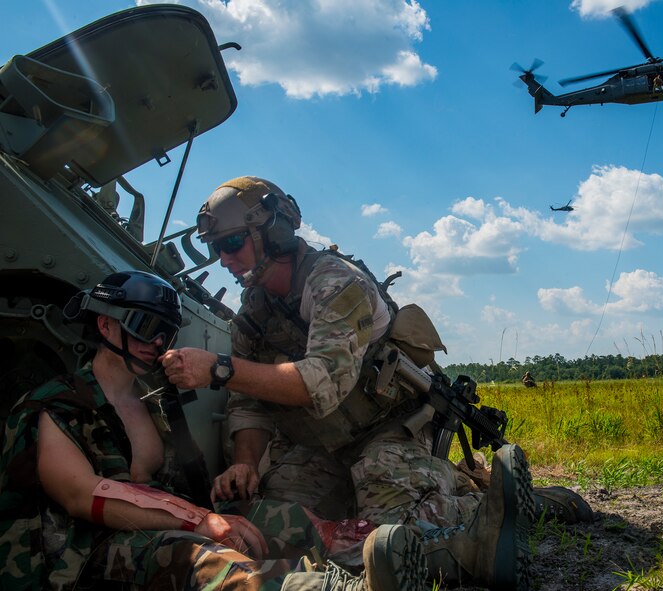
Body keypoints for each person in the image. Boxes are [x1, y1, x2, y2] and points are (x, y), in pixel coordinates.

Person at [162, 176, 543, 589]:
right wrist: (245, 462)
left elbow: (320, 382)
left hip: (388, 430)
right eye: (215, 247)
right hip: (322, 447)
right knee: (274, 525)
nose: (223, 259)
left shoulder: (335, 283)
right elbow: (247, 404)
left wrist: (221, 367)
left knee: (390, 523)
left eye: (232, 243)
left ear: (272, 231)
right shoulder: (253, 313)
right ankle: (393, 515)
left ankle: (489, 500)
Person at [0, 270, 426, 591]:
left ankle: (419, 552)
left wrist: (219, 504)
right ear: (105, 325)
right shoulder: (56, 405)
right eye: (146, 327)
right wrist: (201, 521)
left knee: (286, 517)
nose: (156, 343)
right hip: (76, 555)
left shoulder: (157, 406)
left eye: (165, 333)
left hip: (146, 530)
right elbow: (81, 495)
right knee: (200, 558)